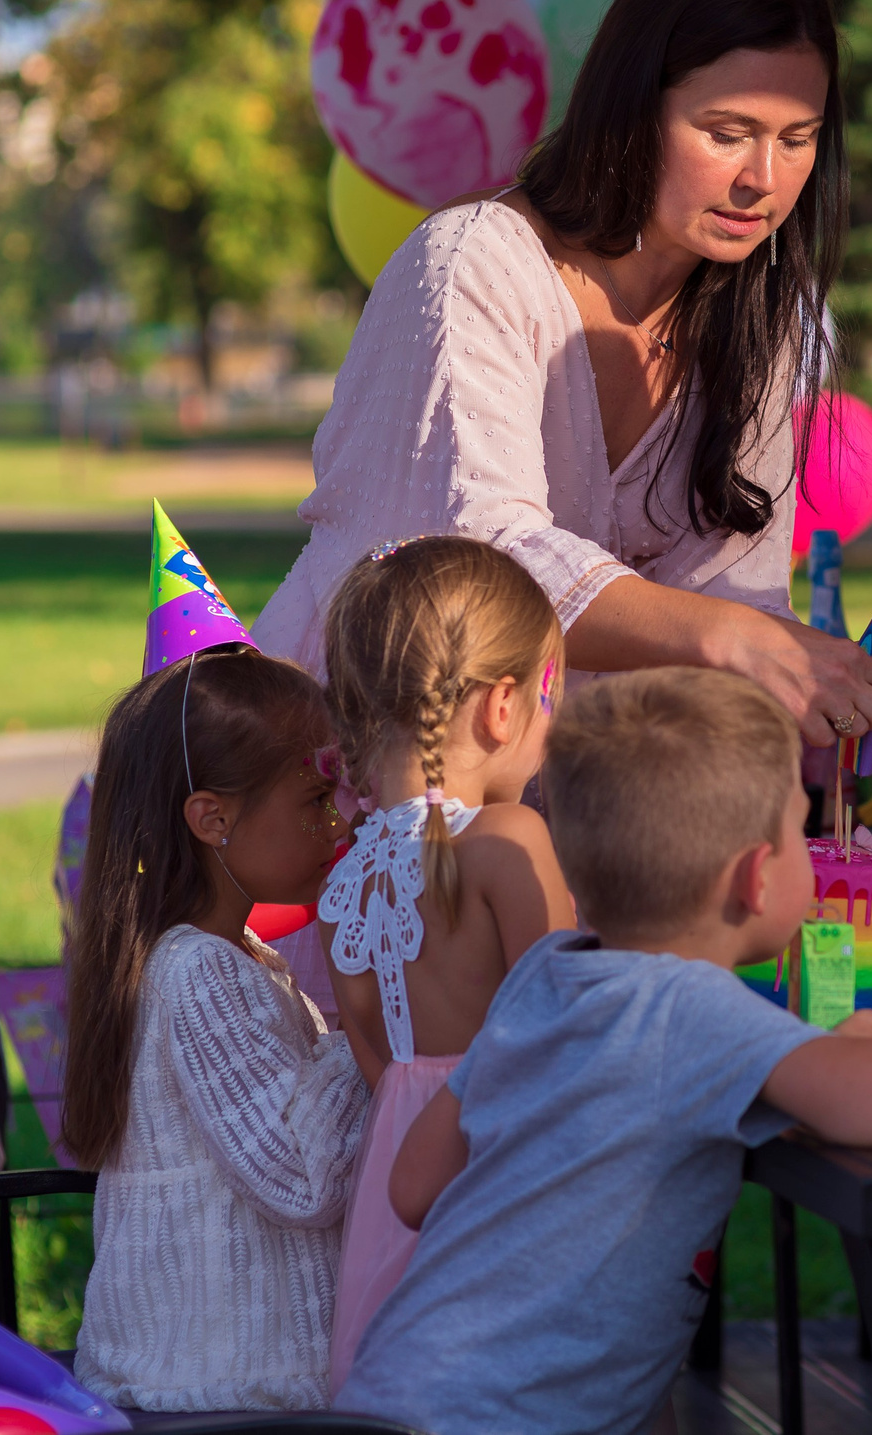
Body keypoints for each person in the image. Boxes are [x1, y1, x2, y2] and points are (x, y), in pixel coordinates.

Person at [255, 0, 872, 755]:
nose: (764, 179)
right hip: (357, 787)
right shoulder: (473, 261)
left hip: (581, 813)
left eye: (797, 139)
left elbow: (736, 596)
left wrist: (820, 683)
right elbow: (483, 563)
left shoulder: (758, 319)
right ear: (631, 109)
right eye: (727, 131)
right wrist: (740, 642)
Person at [334, 668, 872, 1433]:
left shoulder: (543, 976)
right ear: (758, 878)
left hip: (390, 1396)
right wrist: (856, 1041)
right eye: (799, 827)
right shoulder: (695, 1012)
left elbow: (416, 1186)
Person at [61, 645, 368, 1411]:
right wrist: (360, 1027)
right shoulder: (198, 972)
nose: (336, 823)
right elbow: (300, 1177)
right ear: (212, 817)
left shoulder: (234, 958)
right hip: (217, 1391)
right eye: (312, 801)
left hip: (223, 1386)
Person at [314, 535, 579, 1392]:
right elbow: (568, 1020)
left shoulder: (340, 888)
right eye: (550, 699)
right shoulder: (510, 842)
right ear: (503, 706)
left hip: (395, 1191)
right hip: (504, 1168)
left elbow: (379, 1072)